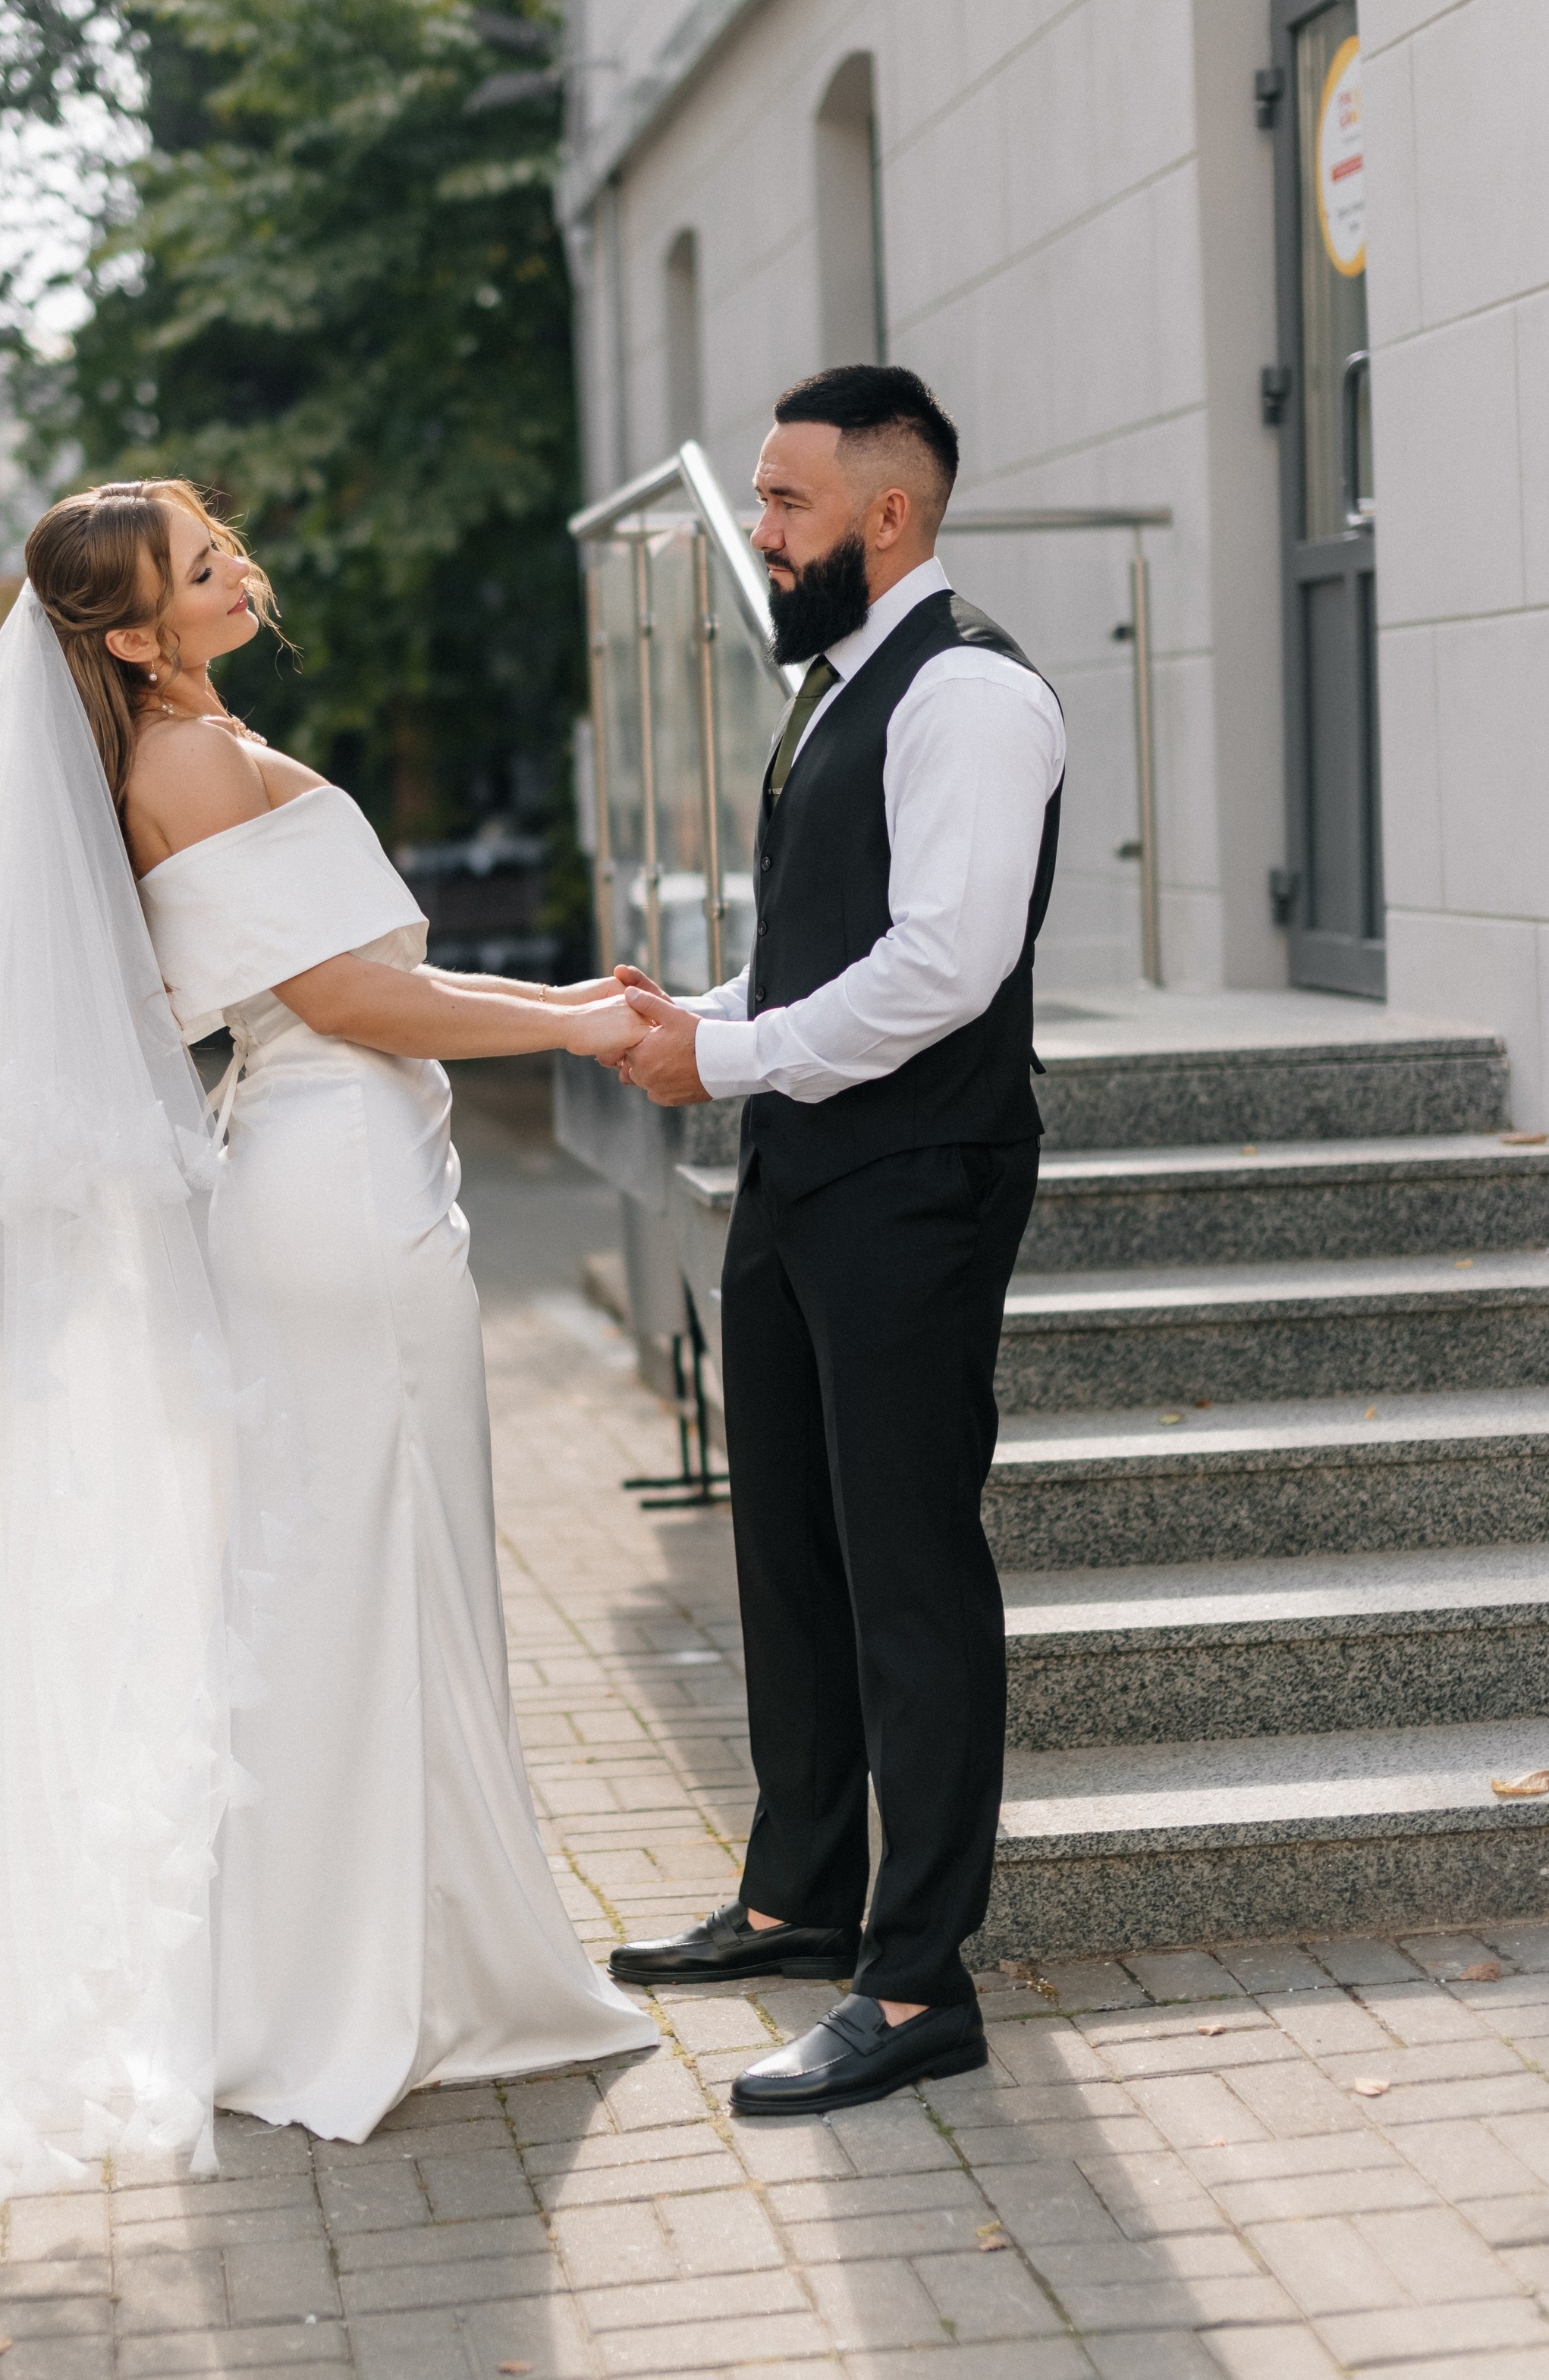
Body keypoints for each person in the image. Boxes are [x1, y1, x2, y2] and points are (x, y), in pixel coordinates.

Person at [0, 476, 655, 2204]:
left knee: (357, 1567)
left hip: (340, 1169)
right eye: (198, 566)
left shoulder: (195, 738)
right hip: (333, 1183)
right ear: (130, 635)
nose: (233, 565)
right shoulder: (185, 764)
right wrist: (571, 1018)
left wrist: (554, 1014)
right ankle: (347, 1989)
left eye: (213, 540)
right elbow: (353, 1000)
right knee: (352, 1573)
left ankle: (380, 1962)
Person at [605, 365, 1065, 2118]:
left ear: (887, 514)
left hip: (915, 1189)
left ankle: (914, 1979)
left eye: (784, 503)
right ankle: (799, 1892)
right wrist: (694, 1016)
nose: (760, 531)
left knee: (907, 1572)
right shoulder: (840, 689)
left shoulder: (966, 697)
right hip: (802, 1171)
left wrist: (719, 1053)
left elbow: (944, 968)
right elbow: (829, 954)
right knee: (786, 1544)